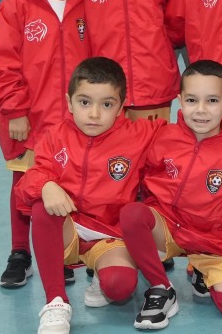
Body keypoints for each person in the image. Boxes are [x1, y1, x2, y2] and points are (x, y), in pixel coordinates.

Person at [0, 0, 89, 290]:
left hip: (72, 120)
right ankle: (19, 253)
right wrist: (15, 110)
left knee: (67, 182)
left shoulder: (85, 5)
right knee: (24, 182)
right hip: (28, 117)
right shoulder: (17, 5)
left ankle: (63, 249)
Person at [16, 58, 164, 334]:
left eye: (106, 104)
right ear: (69, 102)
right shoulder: (55, 136)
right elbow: (29, 180)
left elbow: (186, 135)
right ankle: (56, 303)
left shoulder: (140, 135)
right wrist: (46, 185)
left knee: (120, 286)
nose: (94, 114)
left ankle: (100, 271)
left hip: (109, 234)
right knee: (42, 208)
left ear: (122, 107)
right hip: (69, 229)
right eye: (85, 102)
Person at [119, 60, 222, 326]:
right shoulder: (161, 135)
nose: (201, 110)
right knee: (133, 215)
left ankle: (203, 270)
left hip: (215, 237)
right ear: (180, 100)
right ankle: (161, 287)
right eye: (192, 100)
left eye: (213, 101)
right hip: (167, 226)